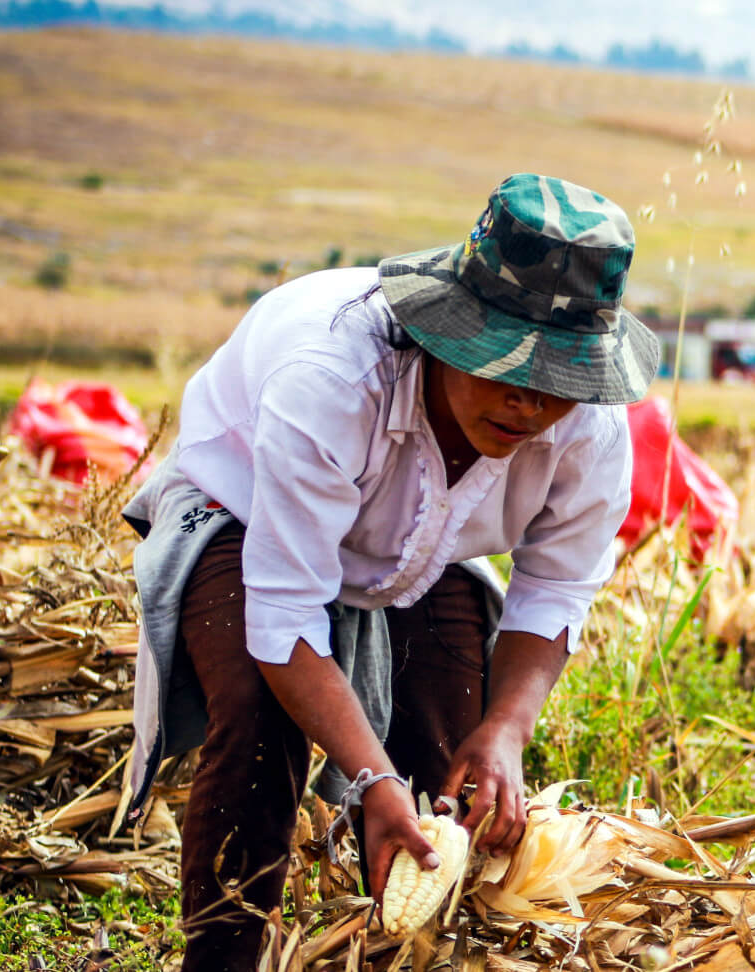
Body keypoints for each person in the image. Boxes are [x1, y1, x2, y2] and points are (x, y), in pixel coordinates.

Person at [118, 173, 660, 970]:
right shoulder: (333, 380)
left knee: (452, 757)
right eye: (503, 372)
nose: (526, 408)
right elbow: (284, 618)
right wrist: (370, 778)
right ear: (448, 333)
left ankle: (400, 953)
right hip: (246, 511)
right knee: (259, 719)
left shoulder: (592, 434)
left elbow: (554, 589)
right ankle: (222, 955)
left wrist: (506, 732)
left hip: (428, 547)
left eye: (554, 388)